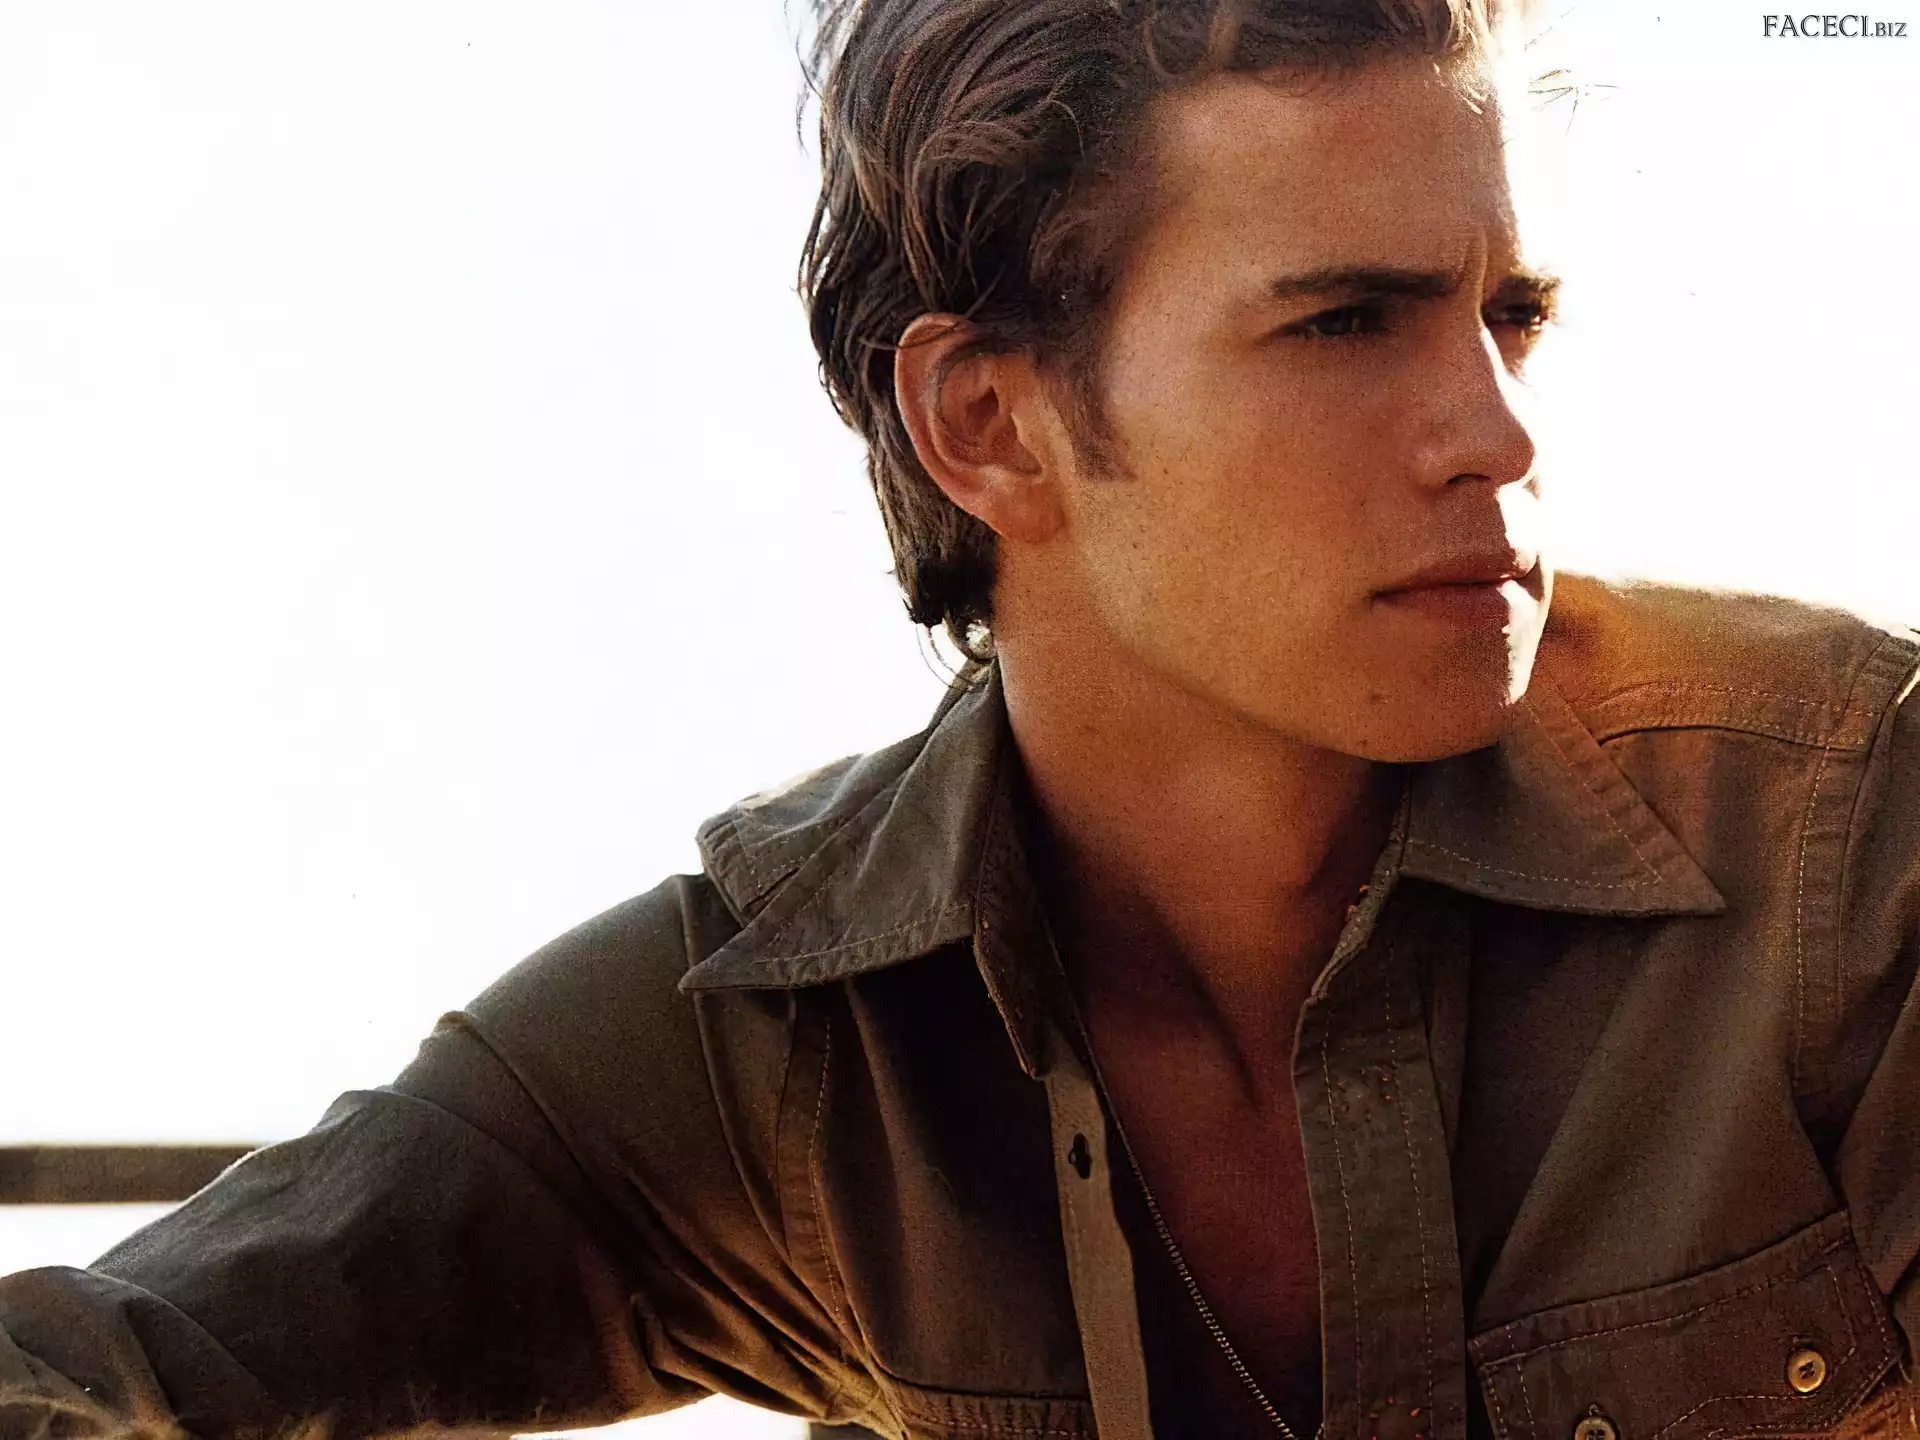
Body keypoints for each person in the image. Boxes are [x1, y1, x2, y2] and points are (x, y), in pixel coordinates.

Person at [5, 0, 1919, 1437]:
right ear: (988, 424)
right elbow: (104, 1367)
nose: (1496, 434)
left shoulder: (1848, 846)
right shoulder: (785, 1047)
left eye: (1509, 315)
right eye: (1345, 324)